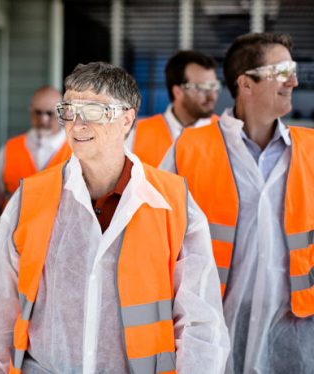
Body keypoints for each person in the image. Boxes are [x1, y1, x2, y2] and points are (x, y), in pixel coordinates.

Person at [0, 62, 229, 373]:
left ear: (127, 119)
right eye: (69, 110)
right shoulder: (29, 198)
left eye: (94, 111)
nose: (77, 124)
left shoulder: (174, 202)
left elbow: (200, 323)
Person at [161, 32, 314, 373]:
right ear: (246, 83)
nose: (293, 80)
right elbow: (157, 236)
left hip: (295, 325)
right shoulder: (189, 149)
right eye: (281, 70)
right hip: (213, 322)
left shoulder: (310, 150)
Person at [129, 50, 219, 167]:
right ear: (178, 92)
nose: (212, 96)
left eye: (213, 86)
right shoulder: (135, 134)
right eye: (201, 88)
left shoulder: (228, 134)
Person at [0, 86, 71, 211]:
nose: (43, 120)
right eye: (38, 113)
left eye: (50, 113)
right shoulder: (10, 148)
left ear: (63, 113)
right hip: (14, 229)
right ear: (30, 111)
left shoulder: (75, 150)